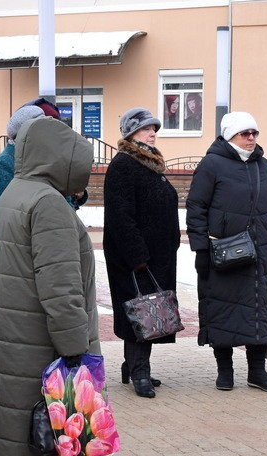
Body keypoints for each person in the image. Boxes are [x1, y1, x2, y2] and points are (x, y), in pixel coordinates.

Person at [0, 116, 96, 456]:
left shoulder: (19, 189)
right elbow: (60, 283)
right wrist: (74, 343)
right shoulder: (48, 202)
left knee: (26, 413)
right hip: (41, 332)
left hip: (17, 328)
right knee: (47, 413)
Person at [186, 111, 267, 393]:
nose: (251, 138)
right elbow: (196, 209)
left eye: (254, 133)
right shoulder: (211, 165)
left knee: (258, 310)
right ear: (230, 136)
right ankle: (225, 371)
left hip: (261, 254)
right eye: (245, 133)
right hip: (224, 254)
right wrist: (201, 249)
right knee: (222, 308)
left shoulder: (264, 167)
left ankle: (257, 371)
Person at [103, 108, 180, 398]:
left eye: (153, 129)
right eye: (145, 129)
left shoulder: (150, 165)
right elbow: (121, 217)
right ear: (130, 134)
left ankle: (131, 365)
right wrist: (137, 256)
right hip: (136, 259)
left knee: (147, 310)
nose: (152, 133)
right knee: (142, 312)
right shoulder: (124, 164)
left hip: (156, 256)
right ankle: (139, 373)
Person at [0, 104, 44, 201]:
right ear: (23, 132)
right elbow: (6, 202)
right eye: (38, 127)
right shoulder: (4, 162)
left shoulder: (42, 153)